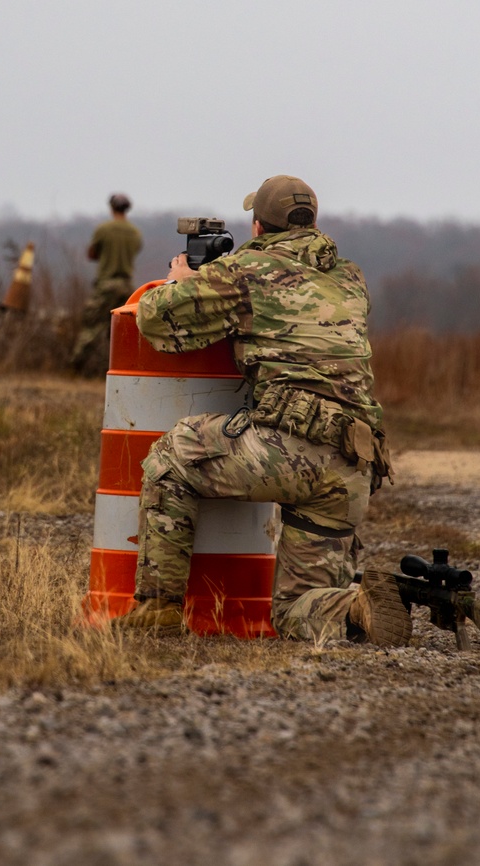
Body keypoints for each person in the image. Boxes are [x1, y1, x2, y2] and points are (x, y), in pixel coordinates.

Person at [114, 175, 409, 647]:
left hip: (287, 451)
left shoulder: (245, 272)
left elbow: (156, 319)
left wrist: (184, 281)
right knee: (295, 611)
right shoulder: (349, 277)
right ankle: (353, 606)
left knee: (171, 456)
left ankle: (157, 609)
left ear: (257, 227)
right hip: (353, 465)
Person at [71, 194, 143, 375]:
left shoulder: (103, 229)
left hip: (106, 284)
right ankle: (120, 368)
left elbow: (92, 254)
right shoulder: (135, 233)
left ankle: (74, 367)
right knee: (122, 331)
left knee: (92, 326)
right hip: (127, 286)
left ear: (111, 208)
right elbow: (135, 251)